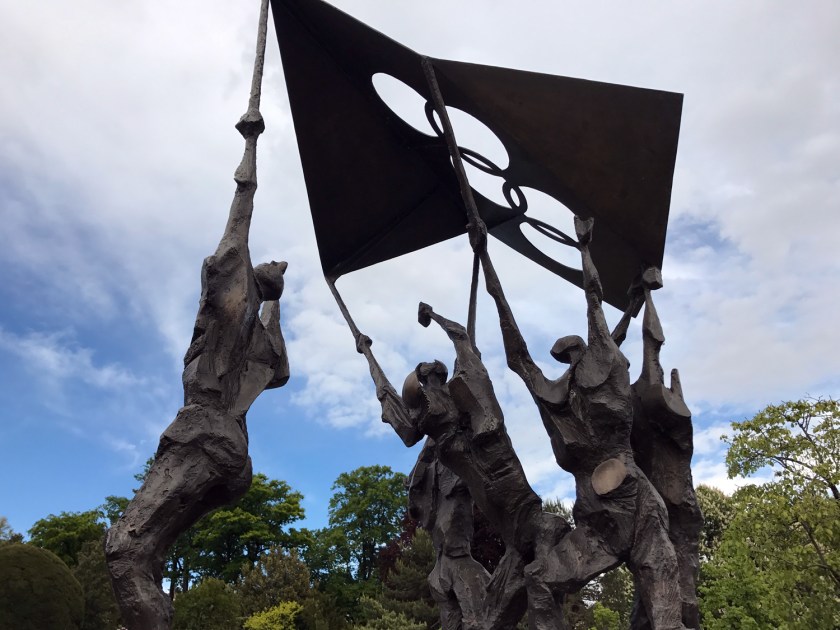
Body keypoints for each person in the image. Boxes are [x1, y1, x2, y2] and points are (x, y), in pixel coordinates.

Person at [104, 20, 289, 625]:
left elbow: (231, 242)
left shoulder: (223, 313)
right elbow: (278, 372)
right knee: (143, 559)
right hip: (231, 454)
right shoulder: (257, 338)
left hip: (202, 435)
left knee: (125, 554)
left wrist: (250, 151)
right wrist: (275, 302)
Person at [478, 216, 686, 629]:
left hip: (637, 506)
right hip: (596, 522)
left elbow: (593, 299)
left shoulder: (606, 367)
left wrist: (584, 246)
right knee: (540, 578)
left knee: (665, 614)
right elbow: (517, 355)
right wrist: (486, 262)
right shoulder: (553, 398)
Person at [354, 303, 567, 629]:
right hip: (447, 554)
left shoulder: (455, 409)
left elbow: (460, 357)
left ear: (433, 381)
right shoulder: (432, 440)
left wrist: (445, 330)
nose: (424, 392)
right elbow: (395, 406)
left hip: (471, 514)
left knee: (477, 593)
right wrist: (370, 359)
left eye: (426, 382)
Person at [630, 268, 702, 629]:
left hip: (673, 510)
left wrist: (644, 298)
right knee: (658, 600)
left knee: (677, 600)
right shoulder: (631, 400)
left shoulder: (644, 395)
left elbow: (651, 349)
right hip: (662, 509)